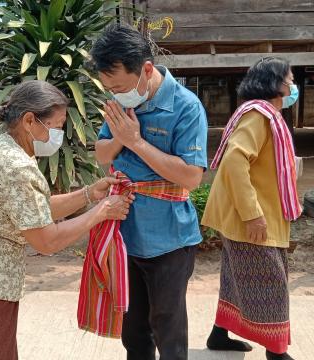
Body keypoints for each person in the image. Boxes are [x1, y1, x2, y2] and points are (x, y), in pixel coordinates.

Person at [0, 80, 134, 360]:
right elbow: (46, 239)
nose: (58, 136)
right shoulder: (15, 165)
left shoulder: (5, 148)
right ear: (29, 120)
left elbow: (34, 210)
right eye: (55, 127)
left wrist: (89, 194)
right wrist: (102, 210)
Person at [90, 24, 208, 360]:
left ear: (146, 69)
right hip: (125, 234)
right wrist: (119, 138)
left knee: (168, 327)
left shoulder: (186, 107)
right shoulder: (118, 101)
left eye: (121, 86)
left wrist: (136, 142)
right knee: (133, 329)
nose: (116, 94)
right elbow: (102, 155)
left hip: (169, 240)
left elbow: (190, 177)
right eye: (109, 88)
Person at [202, 57, 302, 360]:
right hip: (251, 218)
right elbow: (235, 160)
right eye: (290, 79)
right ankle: (276, 351)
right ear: (275, 83)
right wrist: (253, 214)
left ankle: (219, 334)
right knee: (271, 283)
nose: (292, 85)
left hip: (251, 214)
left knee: (235, 278)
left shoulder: (261, 114)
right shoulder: (259, 117)